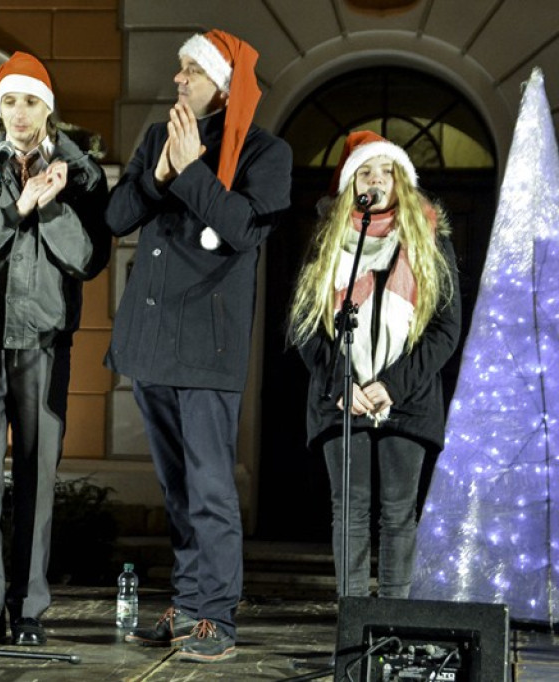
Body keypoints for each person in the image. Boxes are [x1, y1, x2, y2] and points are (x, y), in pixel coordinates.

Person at [105, 30, 292, 663]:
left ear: (223, 83)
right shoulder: (159, 138)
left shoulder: (268, 152)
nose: (179, 78)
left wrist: (188, 173)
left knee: (210, 487)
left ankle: (216, 615)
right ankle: (188, 604)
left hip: (207, 344)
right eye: (179, 68)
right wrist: (159, 173)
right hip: (154, 336)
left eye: (192, 69)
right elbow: (116, 217)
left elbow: (241, 228)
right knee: (177, 485)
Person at [0, 51, 111, 646]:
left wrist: (54, 203)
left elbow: (89, 258)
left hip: (43, 338)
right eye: (9, 101)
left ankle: (29, 610)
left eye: (30, 101)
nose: (18, 113)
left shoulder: (81, 169)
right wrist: (18, 207)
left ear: (48, 108)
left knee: (38, 477)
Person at [288, 130, 461, 599]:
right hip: (341, 396)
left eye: (386, 170)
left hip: (405, 396)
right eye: (366, 171)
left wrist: (392, 385)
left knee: (399, 512)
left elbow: (446, 328)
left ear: (402, 180)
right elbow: (304, 323)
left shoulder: (428, 238)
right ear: (351, 184)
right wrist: (342, 382)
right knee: (350, 509)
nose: (376, 179)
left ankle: (391, 618)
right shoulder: (328, 240)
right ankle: (353, 619)